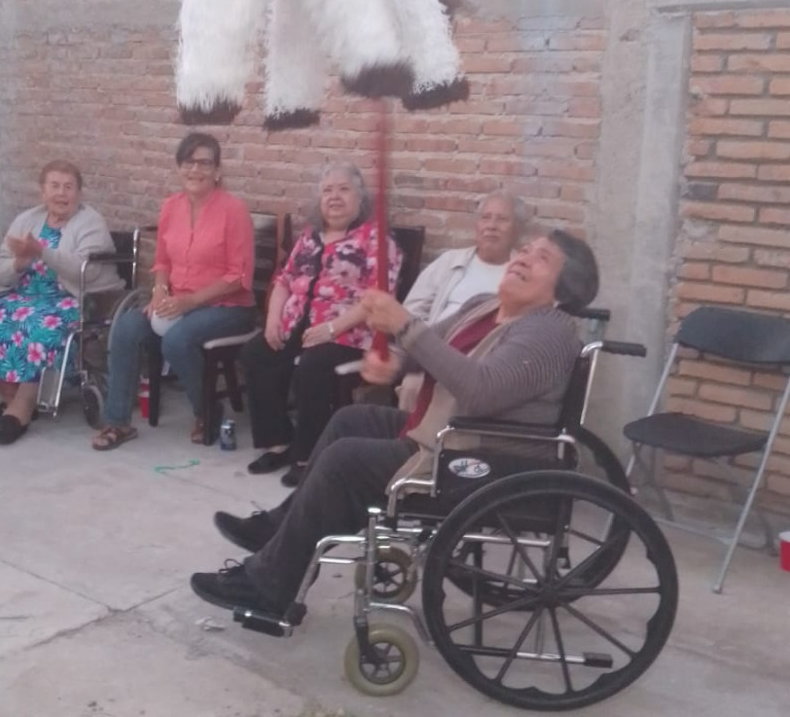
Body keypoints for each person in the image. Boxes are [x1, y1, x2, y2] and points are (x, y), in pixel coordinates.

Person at [189, 229, 600, 621]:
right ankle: (282, 532)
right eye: (526, 250)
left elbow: (481, 391)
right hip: (443, 433)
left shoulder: (548, 332)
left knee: (345, 461)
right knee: (350, 420)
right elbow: (430, 349)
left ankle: (270, 587)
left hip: (479, 459)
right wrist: (395, 363)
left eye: (542, 258)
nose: (524, 258)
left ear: (562, 292)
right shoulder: (485, 305)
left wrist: (404, 324)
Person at [91, 133, 256, 450]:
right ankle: (117, 422)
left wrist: (189, 302)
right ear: (179, 168)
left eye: (204, 163)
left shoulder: (234, 210)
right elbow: (162, 261)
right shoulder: (171, 207)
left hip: (228, 307)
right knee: (126, 327)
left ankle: (206, 412)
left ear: (217, 171)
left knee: (177, 340)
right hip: (178, 300)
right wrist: (159, 292)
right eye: (189, 162)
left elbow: (239, 277)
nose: (196, 170)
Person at [242, 162, 401, 486]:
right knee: (255, 354)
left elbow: (378, 296)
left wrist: (332, 329)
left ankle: (308, 455)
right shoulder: (309, 237)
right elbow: (284, 280)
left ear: (360, 198)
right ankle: (278, 442)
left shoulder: (377, 240)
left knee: (312, 367)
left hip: (349, 334)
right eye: (328, 190)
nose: (334, 197)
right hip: (297, 325)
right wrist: (272, 320)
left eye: (343, 189)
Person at [0, 160, 124, 445]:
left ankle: (22, 407)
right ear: (42, 192)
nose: (61, 193)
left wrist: (42, 251)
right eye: (54, 186)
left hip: (72, 298)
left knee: (40, 323)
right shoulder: (27, 220)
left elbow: (86, 272)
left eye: (68, 187)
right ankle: (9, 400)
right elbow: (0, 269)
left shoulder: (91, 222)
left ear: (79, 193)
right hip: (26, 295)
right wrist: (19, 262)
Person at [397, 189, 530, 409]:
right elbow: (411, 310)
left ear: (517, 229)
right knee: (413, 384)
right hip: (436, 354)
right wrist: (427, 344)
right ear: (476, 225)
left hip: (486, 363)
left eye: (502, 219)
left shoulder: (523, 273)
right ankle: (410, 431)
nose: (492, 226)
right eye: (485, 217)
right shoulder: (450, 261)